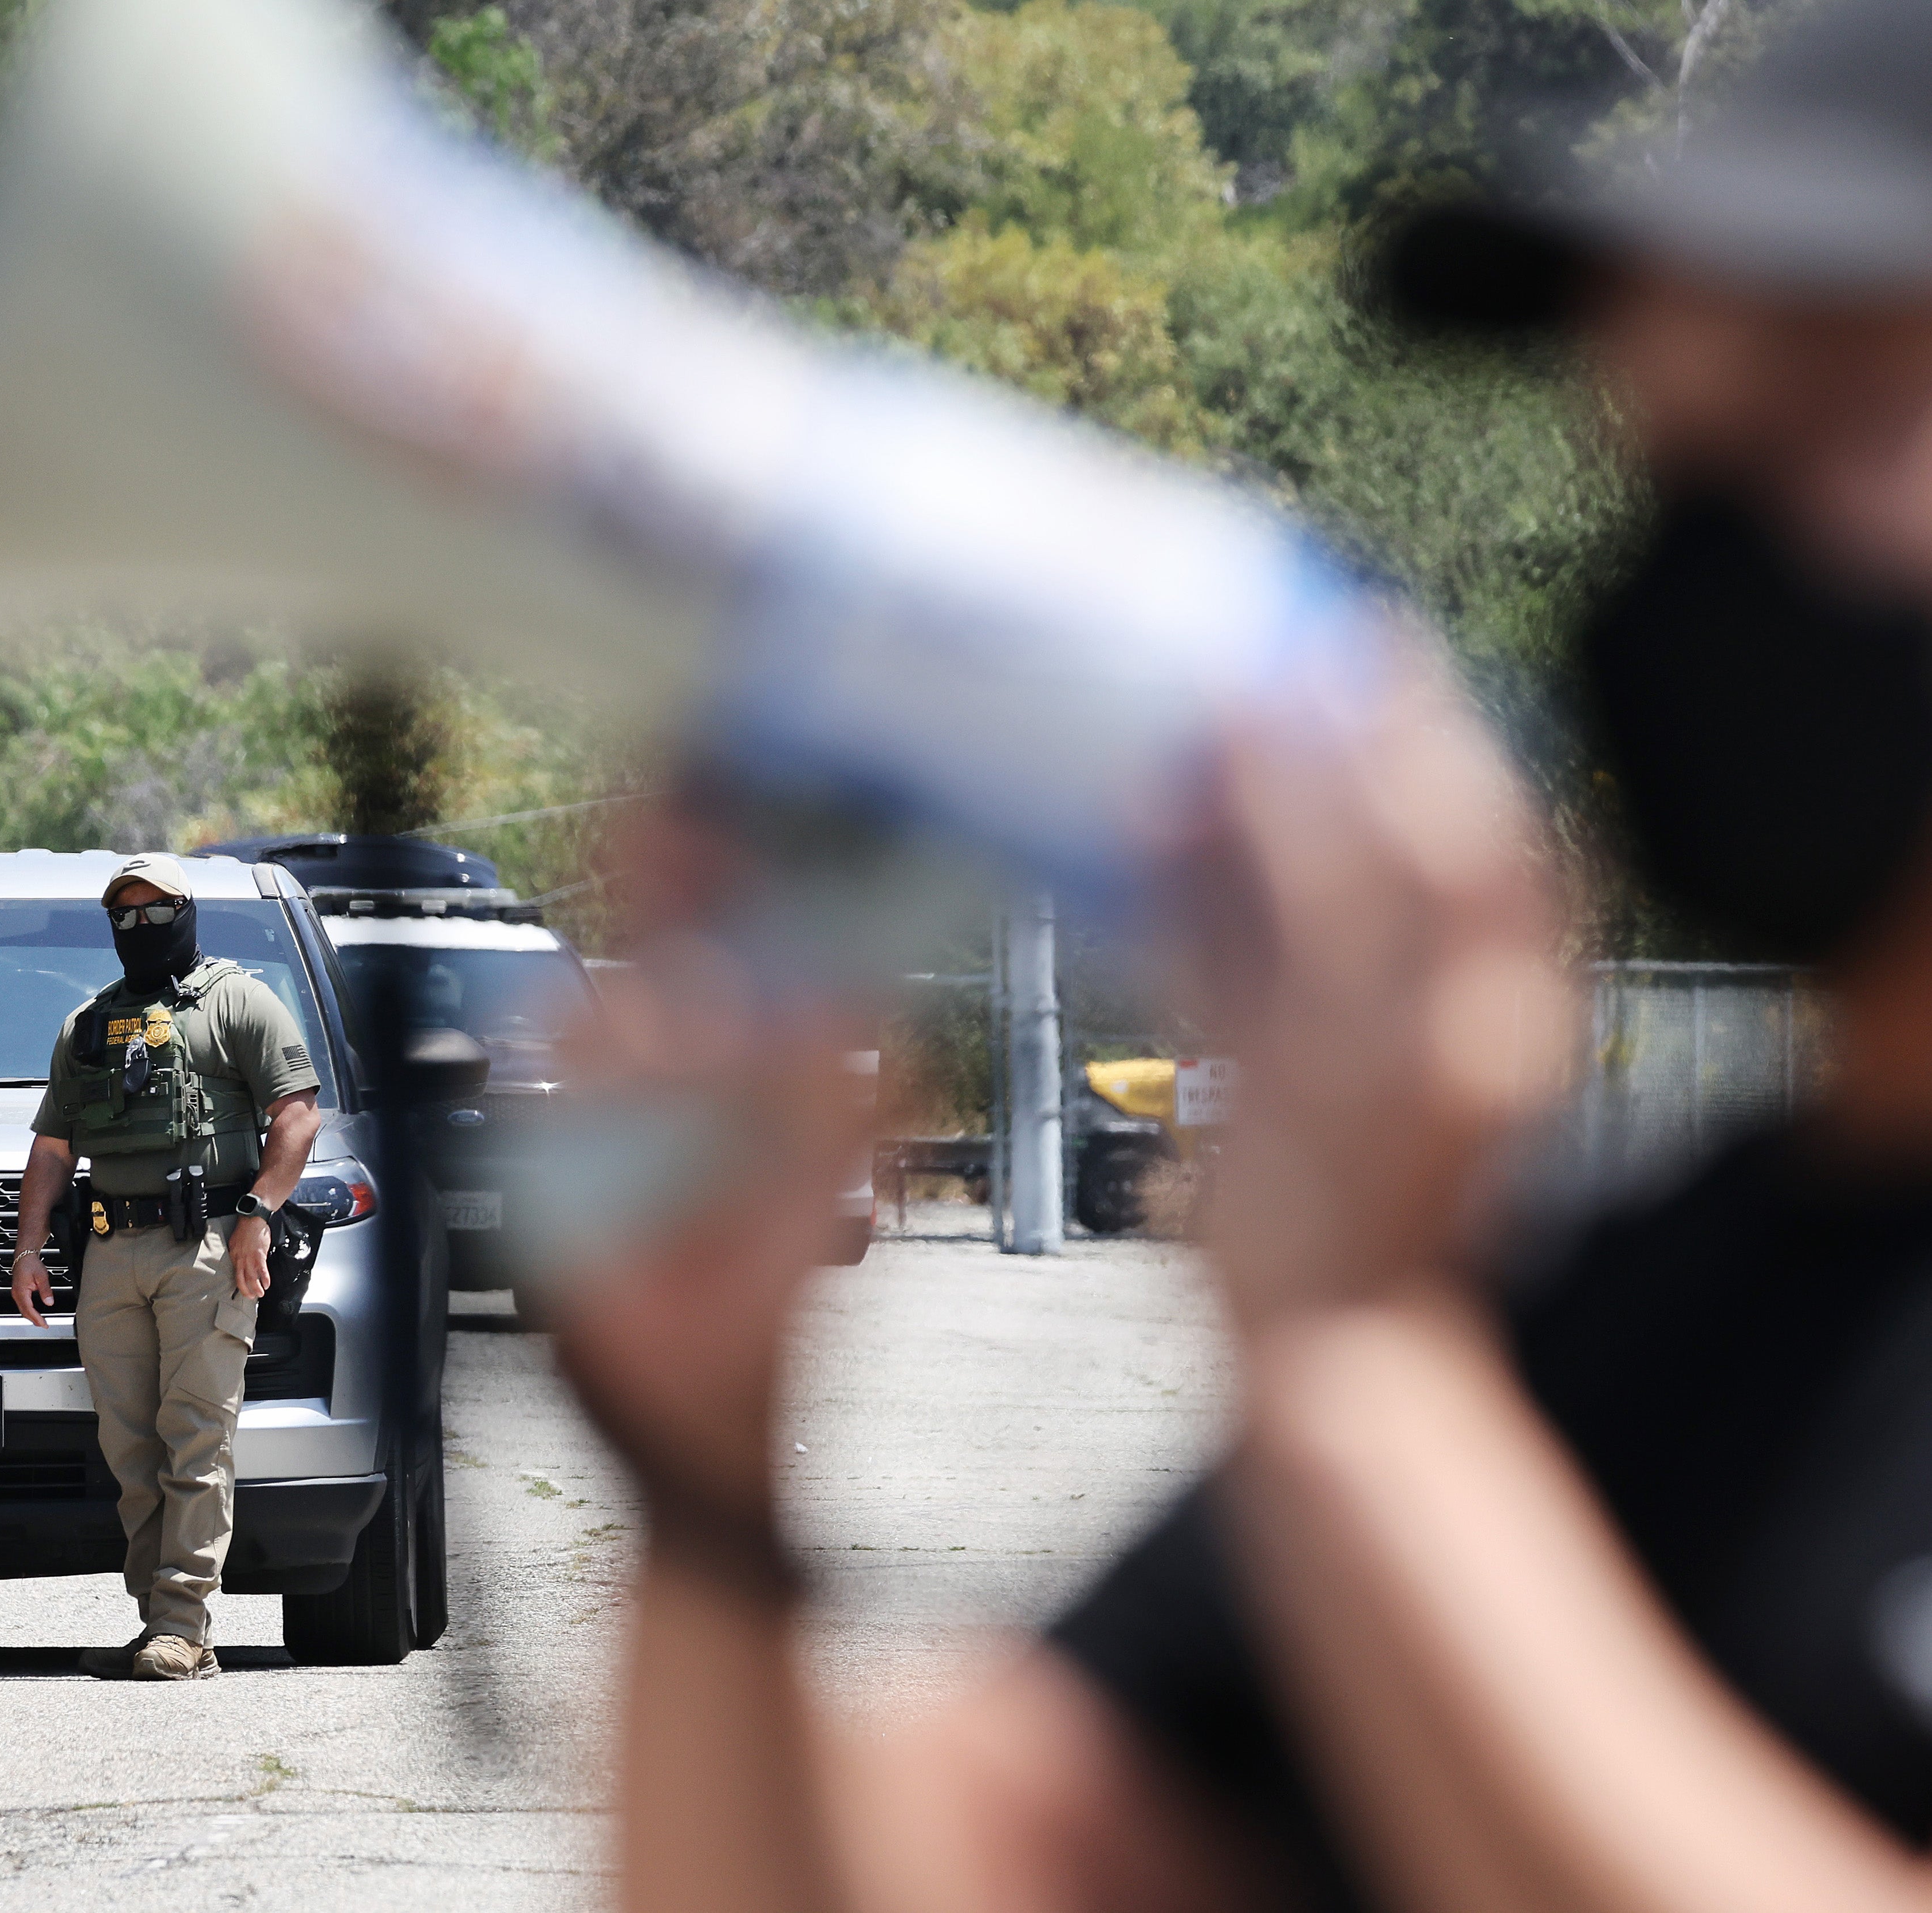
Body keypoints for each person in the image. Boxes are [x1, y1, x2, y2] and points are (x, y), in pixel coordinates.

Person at [550, 2, 1932, 1908]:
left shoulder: (1414, 1381)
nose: (1695, 579)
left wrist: (1361, 1368)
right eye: (1668, 455)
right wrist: (706, 1469)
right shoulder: (1630, 1318)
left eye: (1829, 409)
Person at [11, 853, 322, 1680]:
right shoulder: (88, 1023)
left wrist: (257, 1214)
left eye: (157, 911)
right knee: (130, 1448)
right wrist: (29, 1249)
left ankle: (183, 1623)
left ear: (187, 914)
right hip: (111, 1252)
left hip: (206, 1246)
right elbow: (52, 1148)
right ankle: (161, 1619)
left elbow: (297, 1115)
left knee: (196, 1435)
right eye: (126, 914)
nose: (141, 926)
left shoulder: (238, 1001)